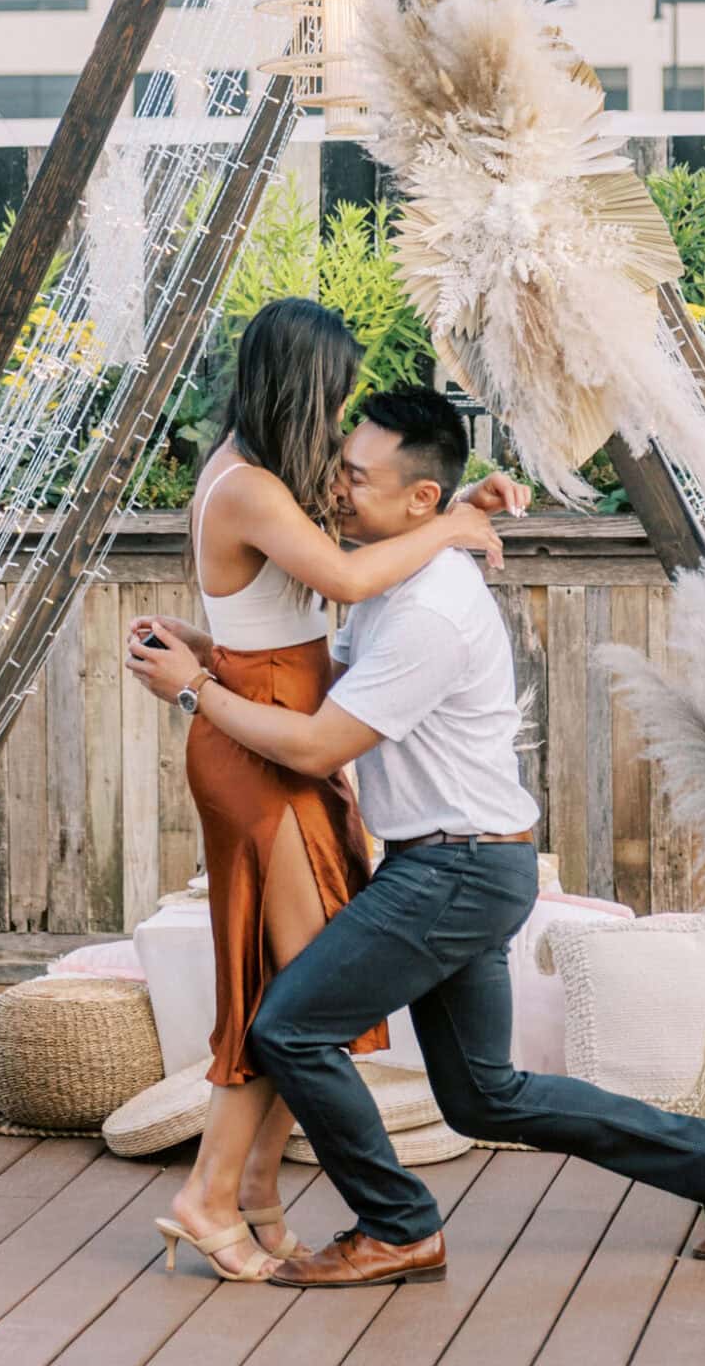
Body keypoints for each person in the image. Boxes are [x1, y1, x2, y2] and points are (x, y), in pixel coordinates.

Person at [128, 381, 705, 1287]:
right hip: (460, 863)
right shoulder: (401, 581)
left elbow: (316, 747)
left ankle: (397, 1225)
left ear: (416, 498)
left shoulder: (427, 609)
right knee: (483, 1097)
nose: (334, 491)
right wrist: (203, 647)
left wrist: (195, 694)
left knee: (290, 1029)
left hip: (454, 875)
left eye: (354, 477)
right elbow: (321, 680)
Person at [137, 300, 526, 1282]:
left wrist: (445, 504)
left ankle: (254, 1188)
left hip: (271, 724)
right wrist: (451, 525)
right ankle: (207, 1194)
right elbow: (347, 585)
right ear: (302, 386)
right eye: (336, 392)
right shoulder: (250, 486)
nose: (342, 412)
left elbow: (277, 610)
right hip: (261, 746)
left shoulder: (251, 470)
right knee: (293, 993)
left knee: (294, 988)